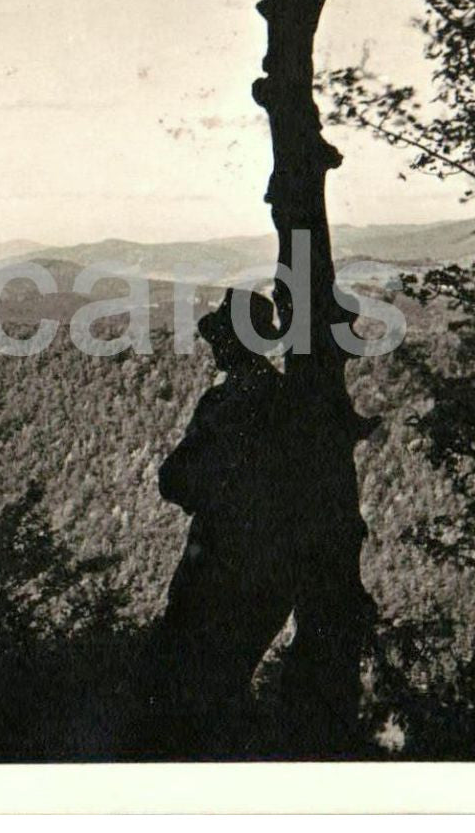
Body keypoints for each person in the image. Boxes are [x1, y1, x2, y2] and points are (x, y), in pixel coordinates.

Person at [145, 288, 297, 751]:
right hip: (272, 571)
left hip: (215, 563)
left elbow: (175, 479)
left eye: (220, 336)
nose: (212, 345)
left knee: (181, 688)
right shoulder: (286, 399)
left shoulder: (224, 403)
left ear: (235, 340)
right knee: (227, 686)